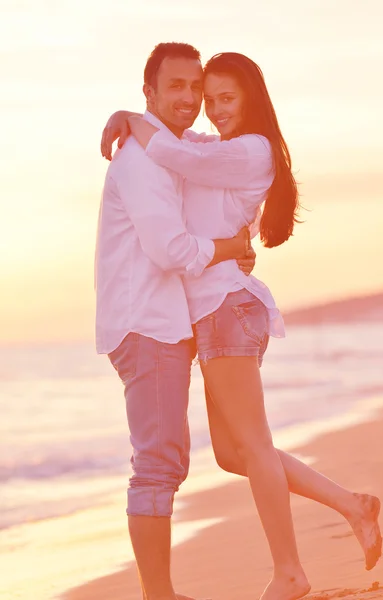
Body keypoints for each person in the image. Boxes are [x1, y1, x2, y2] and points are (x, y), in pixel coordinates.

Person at [102, 50, 383, 599]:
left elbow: (173, 154)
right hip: (213, 311)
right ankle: (353, 505)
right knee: (235, 453)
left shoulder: (248, 151)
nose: (212, 109)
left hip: (227, 305)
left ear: (252, 99)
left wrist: (133, 119)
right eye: (210, 101)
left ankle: (290, 572)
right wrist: (138, 118)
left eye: (225, 98)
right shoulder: (220, 148)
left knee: (251, 445)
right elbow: (183, 149)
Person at [95, 43, 255, 600]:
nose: (189, 99)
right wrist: (231, 244)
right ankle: (158, 595)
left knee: (167, 460)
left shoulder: (172, 147)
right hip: (148, 324)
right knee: (158, 464)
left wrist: (133, 119)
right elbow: (168, 250)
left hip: (164, 324)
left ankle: (158, 593)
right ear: (152, 92)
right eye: (176, 87)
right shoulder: (140, 161)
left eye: (195, 87)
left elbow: (211, 150)